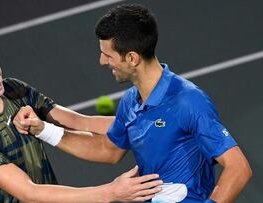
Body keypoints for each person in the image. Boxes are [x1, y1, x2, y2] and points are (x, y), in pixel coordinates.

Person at [15, 4, 252, 203]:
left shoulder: (189, 101)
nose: (102, 61)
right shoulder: (130, 100)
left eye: (107, 54)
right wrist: (44, 130)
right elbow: (108, 150)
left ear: (131, 58)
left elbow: (238, 168)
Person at [0, 36, 163, 203]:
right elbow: (29, 193)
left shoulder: (13, 89)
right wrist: (111, 192)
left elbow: (79, 122)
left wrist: (145, 122)